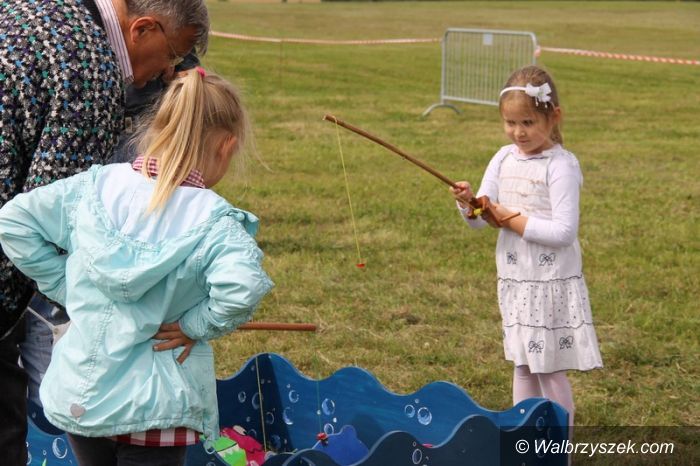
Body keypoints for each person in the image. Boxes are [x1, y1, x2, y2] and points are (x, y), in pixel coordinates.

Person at [0, 67, 274, 465]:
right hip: (160, 406)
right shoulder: (214, 219)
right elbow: (243, 286)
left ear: (156, 127)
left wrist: (65, 283)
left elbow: (13, 222)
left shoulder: (93, 187)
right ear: (227, 146)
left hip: (85, 397)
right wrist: (195, 325)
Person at [0, 1, 209, 463]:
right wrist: (78, 290)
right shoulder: (90, 70)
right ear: (143, 29)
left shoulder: (44, 9)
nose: (170, 71)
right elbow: (56, 222)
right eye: (173, 54)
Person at [450, 65, 602, 429]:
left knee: (547, 368)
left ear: (553, 117)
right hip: (516, 279)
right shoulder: (503, 158)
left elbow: (564, 232)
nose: (518, 132)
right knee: (522, 362)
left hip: (549, 282)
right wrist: (469, 203)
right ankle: (525, 440)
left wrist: (510, 218)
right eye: (510, 123)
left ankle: (557, 447)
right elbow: (480, 219)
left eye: (528, 123)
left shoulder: (560, 166)